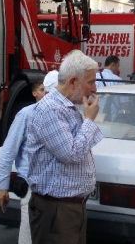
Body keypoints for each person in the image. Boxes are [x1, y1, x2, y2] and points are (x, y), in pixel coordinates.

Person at [26, 53, 103, 244]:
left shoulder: (69, 107)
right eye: (91, 82)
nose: (95, 88)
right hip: (56, 210)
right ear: (73, 82)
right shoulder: (50, 109)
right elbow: (72, 153)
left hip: (70, 207)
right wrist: (89, 120)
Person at [0, 71, 58, 244]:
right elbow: (8, 150)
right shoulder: (27, 114)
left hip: (57, 191)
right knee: (29, 238)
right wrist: (2, 186)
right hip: (32, 189)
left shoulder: (65, 115)